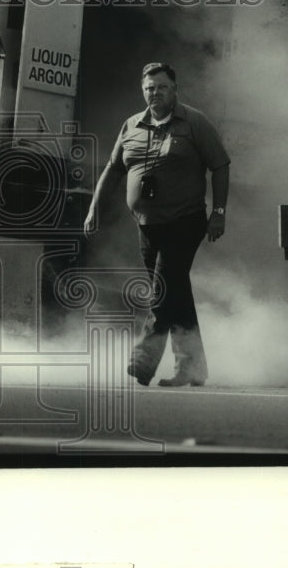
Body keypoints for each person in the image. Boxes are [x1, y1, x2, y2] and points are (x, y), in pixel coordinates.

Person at [83, 62, 230, 387]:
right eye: (149, 88)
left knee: (162, 291)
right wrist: (94, 207)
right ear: (143, 90)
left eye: (161, 87)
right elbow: (112, 169)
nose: (155, 93)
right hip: (147, 226)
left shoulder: (194, 122)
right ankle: (191, 367)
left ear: (174, 89)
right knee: (175, 292)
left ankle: (142, 361)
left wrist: (218, 212)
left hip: (185, 221)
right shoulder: (132, 125)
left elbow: (220, 166)